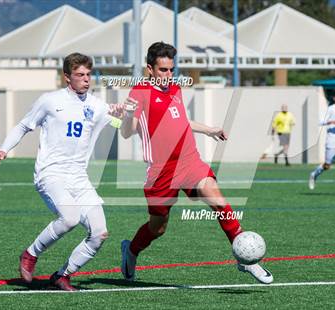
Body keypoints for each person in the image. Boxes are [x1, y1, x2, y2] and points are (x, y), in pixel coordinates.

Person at [113, 42, 273, 284]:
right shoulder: (139, 91)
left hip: (189, 161)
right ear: (150, 69)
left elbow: (181, 120)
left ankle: (246, 259)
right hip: (161, 171)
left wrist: (208, 130)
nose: (168, 75)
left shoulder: (175, 88)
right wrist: (126, 115)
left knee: (218, 201)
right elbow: (127, 132)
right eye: (163, 70)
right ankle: (131, 251)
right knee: (158, 228)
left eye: (171, 70)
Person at [0, 53, 120, 291]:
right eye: (80, 75)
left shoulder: (97, 105)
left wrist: (125, 115)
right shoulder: (49, 101)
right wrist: (4, 149)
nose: (86, 80)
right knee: (69, 218)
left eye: (89, 75)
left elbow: (121, 124)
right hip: (51, 174)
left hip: (79, 178)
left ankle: (63, 275)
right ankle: (30, 254)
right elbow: (23, 126)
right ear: (67, 77)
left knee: (99, 233)